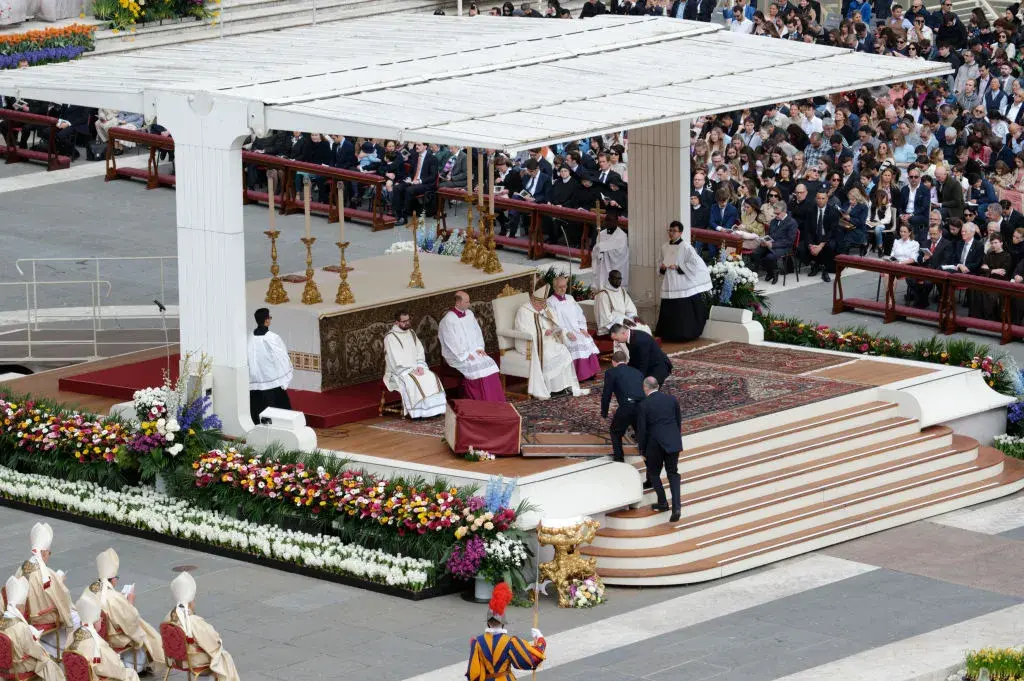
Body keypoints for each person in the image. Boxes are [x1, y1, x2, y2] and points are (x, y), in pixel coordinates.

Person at [88, 549, 162, 672]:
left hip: (96, 633)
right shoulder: (115, 598)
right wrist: (130, 603)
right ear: (114, 579)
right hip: (114, 637)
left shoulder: (92, 589)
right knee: (144, 630)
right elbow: (130, 622)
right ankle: (136, 664)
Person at [513, 285, 589, 400]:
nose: (542, 307)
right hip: (531, 343)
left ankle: (565, 387)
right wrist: (544, 332)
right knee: (549, 354)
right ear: (533, 300)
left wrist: (556, 330)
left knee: (563, 351)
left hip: (547, 340)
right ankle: (551, 388)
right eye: (539, 304)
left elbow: (556, 323)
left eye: (543, 304)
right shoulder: (524, 311)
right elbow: (524, 331)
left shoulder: (544, 308)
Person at [164, 573, 240, 681]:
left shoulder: (168, 617)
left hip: (175, 659)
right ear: (190, 602)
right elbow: (213, 640)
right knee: (223, 657)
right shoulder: (194, 621)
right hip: (193, 660)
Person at [465, 583, 545, 681]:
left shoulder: (477, 642)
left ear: (488, 623)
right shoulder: (510, 642)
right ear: (503, 623)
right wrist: (540, 639)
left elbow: (473, 672)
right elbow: (529, 661)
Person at [16, 523, 74, 657]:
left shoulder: (23, 567)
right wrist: (59, 581)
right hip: (40, 617)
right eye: (49, 553)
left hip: (25, 612)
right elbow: (61, 597)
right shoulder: (47, 573)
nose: (49, 556)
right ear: (43, 553)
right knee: (74, 614)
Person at [438, 291, 505, 403]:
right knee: (477, 368)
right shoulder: (448, 320)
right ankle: (481, 401)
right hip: (458, 355)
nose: (469, 304)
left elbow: (477, 332)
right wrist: (464, 354)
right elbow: (450, 341)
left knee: (490, 363)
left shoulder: (469, 314)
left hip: (474, 351)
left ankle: (497, 401)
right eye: (466, 302)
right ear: (458, 302)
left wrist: (479, 348)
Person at [635, 376, 683, 522]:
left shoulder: (643, 405)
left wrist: (642, 451)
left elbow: (641, 431)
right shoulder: (672, 400)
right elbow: (678, 421)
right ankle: (677, 507)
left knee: (654, 473)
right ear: (658, 386)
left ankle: (662, 502)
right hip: (672, 442)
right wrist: (675, 438)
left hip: (654, 444)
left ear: (645, 388)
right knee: (673, 474)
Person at [655, 221, 712, 341]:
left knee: (682, 309)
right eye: (670, 230)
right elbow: (659, 261)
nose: (671, 233)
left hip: (681, 281)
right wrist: (662, 267)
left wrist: (678, 267)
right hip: (669, 282)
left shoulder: (686, 247)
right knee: (669, 309)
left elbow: (695, 263)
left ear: (680, 233)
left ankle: (684, 335)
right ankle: (668, 334)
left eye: (674, 231)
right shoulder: (664, 246)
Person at [383, 310, 447, 418]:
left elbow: (419, 351)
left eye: (408, 320)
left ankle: (434, 410)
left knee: (431, 376)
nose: (407, 323)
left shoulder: (411, 333)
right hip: (399, 371)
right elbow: (395, 359)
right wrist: (411, 370)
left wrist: (420, 366)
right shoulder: (390, 338)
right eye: (404, 321)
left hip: (416, 367)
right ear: (396, 322)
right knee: (415, 380)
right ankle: (419, 413)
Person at [1, 576, 65, 681]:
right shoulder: (20, 627)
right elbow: (33, 650)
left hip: (2, 667)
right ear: (20, 608)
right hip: (18, 667)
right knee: (48, 662)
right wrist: (44, 653)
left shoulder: (1, 620)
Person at [67, 592, 139, 681]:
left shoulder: (71, 635)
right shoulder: (98, 644)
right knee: (131, 673)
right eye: (100, 618)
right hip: (95, 678)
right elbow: (114, 669)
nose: (101, 620)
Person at [546, 276, 601, 382]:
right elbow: (553, 321)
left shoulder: (570, 298)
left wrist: (582, 328)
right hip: (563, 332)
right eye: (560, 287)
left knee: (586, 338)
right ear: (554, 287)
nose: (563, 289)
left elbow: (580, 314)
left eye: (564, 286)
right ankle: (580, 375)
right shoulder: (550, 302)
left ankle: (591, 373)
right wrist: (566, 333)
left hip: (576, 329)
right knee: (575, 342)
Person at [247, 308, 293, 426]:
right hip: (271, 380)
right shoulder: (272, 337)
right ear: (266, 320)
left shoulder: (250, 337)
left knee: (257, 408)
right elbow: (281, 357)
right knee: (278, 410)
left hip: (255, 380)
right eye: (269, 318)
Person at [601, 351, 645, 463]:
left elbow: (607, 394)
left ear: (613, 362)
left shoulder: (611, 372)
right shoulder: (637, 372)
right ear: (626, 361)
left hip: (627, 406)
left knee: (615, 432)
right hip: (643, 406)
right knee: (640, 430)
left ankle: (619, 459)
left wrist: (604, 412)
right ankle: (645, 453)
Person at [594, 270, 652, 338]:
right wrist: (622, 321)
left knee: (643, 327)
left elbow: (629, 308)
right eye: (616, 278)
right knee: (632, 332)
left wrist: (634, 317)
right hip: (610, 326)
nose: (618, 281)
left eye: (620, 278)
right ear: (609, 279)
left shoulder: (622, 291)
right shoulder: (603, 294)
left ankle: (647, 346)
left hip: (624, 319)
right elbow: (604, 318)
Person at [591, 217, 630, 288]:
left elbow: (621, 253)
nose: (607, 223)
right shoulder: (601, 234)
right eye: (606, 221)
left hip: (617, 267)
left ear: (616, 222)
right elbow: (596, 250)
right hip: (603, 267)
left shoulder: (622, 236)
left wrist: (603, 247)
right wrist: (598, 252)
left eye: (610, 221)